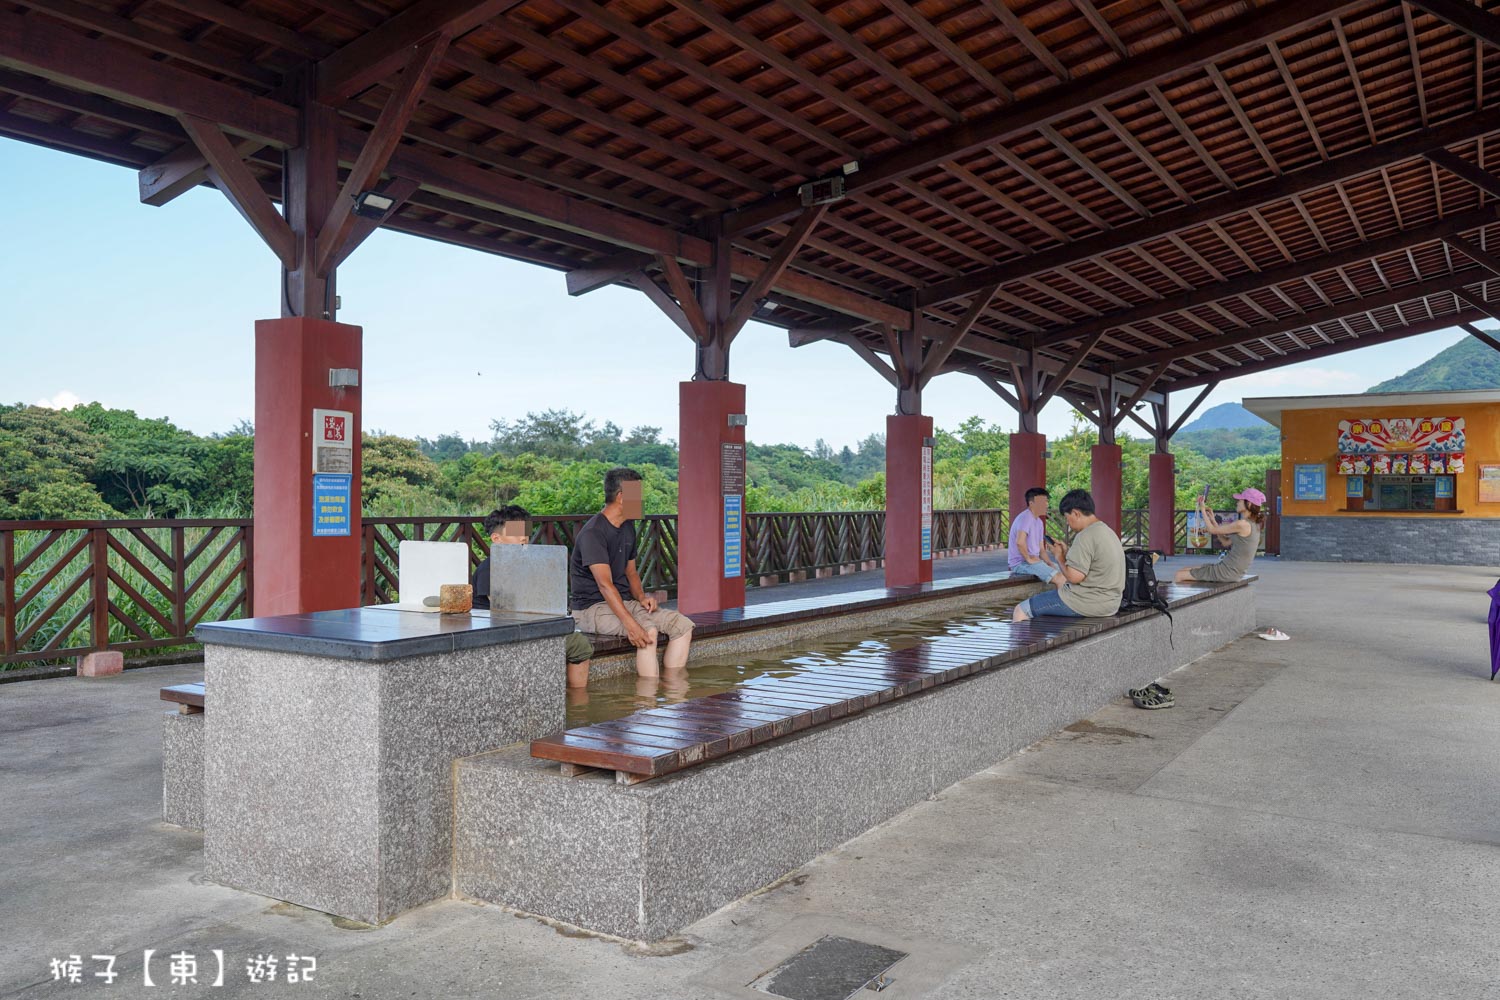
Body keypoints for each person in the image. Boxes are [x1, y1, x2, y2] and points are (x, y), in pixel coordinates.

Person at [569, 467, 694, 678]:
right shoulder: (594, 532)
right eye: (639, 495)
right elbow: (605, 585)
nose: (643, 501)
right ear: (621, 497)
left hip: (624, 602)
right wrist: (631, 625)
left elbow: (631, 572)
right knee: (648, 633)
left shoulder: (627, 526)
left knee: (682, 625)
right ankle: (647, 704)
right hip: (591, 609)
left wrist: (642, 597)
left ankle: (674, 692)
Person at [472, 504, 595, 688]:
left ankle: (577, 701)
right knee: (575, 643)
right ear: (496, 538)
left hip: (524, 625)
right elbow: (504, 610)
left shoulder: (525, 565)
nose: (523, 537)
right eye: (516, 531)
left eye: (526, 532)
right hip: (497, 631)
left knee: (579, 643)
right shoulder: (489, 568)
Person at [1013, 489, 1125, 622]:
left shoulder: (1085, 536)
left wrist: (1059, 557)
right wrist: (1067, 552)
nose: (1067, 523)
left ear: (1076, 513)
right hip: (1111, 603)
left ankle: (1022, 643)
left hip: (1087, 603)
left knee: (1021, 609)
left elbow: (1074, 577)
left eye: (1067, 518)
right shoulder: (1107, 531)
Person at [1175, 488, 1265, 584]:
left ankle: (1191, 598)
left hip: (1227, 572)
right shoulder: (1253, 524)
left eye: (1240, 500)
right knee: (1185, 569)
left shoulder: (1242, 524)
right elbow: (1225, 542)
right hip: (1229, 570)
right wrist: (1213, 520)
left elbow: (1211, 530)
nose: (1237, 503)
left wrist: (1202, 509)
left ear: (1249, 504)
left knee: (1179, 575)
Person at [1008, 487, 1063, 585]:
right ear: (1031, 503)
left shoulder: (1039, 522)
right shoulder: (1026, 517)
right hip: (1021, 564)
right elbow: (1020, 542)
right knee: (1060, 578)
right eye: (1043, 502)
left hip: (1034, 561)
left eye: (1047, 501)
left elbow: (1041, 549)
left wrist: (1049, 562)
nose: (1046, 504)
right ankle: (1061, 600)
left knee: (1065, 572)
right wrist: (1029, 559)